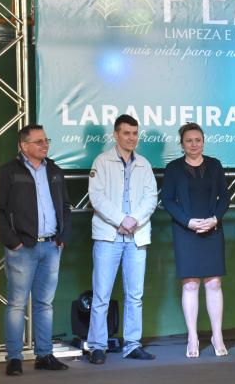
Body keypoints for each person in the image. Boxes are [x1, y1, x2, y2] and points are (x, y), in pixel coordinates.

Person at [0, 124, 71, 376]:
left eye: (46, 140)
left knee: (44, 304)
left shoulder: (55, 170)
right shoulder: (8, 171)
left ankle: (44, 355)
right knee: (17, 304)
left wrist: (63, 236)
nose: (45, 145)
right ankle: (14, 358)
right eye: (39, 141)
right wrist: (12, 241)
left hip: (51, 246)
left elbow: (65, 206)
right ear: (23, 145)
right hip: (22, 249)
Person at [87, 114, 158, 364]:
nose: (131, 138)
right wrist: (121, 219)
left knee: (135, 295)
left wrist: (134, 219)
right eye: (126, 133)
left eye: (135, 133)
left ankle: (132, 344)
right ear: (116, 135)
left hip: (136, 236)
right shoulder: (101, 161)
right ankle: (97, 346)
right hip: (109, 236)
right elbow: (96, 197)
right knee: (101, 295)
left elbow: (151, 197)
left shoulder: (144, 164)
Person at [161, 122, 231, 358]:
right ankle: (192, 337)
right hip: (185, 231)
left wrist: (214, 219)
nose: (194, 144)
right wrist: (188, 222)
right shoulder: (173, 168)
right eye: (189, 141)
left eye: (198, 140)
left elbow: (225, 198)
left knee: (214, 283)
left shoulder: (215, 165)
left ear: (203, 142)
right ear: (182, 144)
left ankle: (217, 335)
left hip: (213, 229)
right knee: (190, 284)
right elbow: (167, 200)